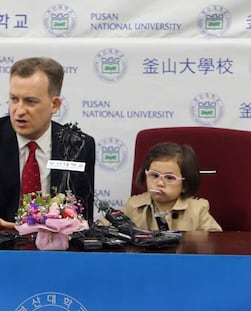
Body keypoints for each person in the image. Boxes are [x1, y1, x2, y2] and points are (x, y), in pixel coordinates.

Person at [0, 57, 95, 228]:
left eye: (30, 101)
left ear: (55, 104)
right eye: (14, 99)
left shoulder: (78, 145)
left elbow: (82, 216)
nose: (19, 111)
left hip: (56, 250)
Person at [99, 142, 222, 232]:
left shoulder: (198, 209)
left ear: (185, 184)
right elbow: (103, 227)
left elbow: (214, 242)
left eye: (169, 178)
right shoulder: (134, 205)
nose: (160, 183)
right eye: (154, 175)